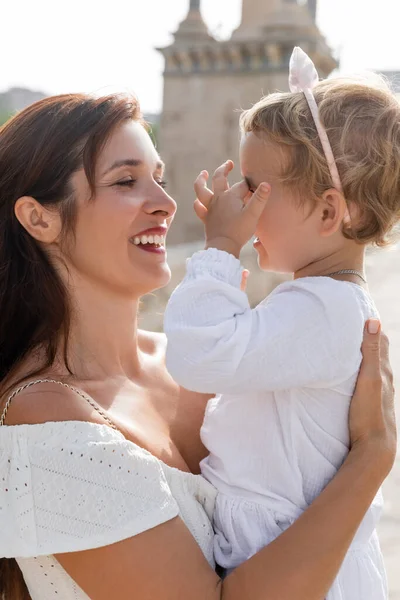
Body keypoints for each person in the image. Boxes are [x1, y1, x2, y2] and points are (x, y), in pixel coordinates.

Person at [0, 92, 396, 600]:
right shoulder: (46, 418)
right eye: (126, 181)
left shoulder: (191, 361)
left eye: (159, 179)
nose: (166, 204)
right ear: (39, 219)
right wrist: (372, 458)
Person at [164, 48, 400, 599]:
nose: (239, 205)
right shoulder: (321, 300)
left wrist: (220, 250)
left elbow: (197, 355)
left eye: (253, 187)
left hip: (299, 570)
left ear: (326, 212)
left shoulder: (324, 309)